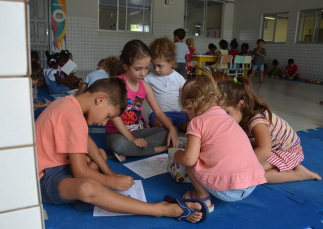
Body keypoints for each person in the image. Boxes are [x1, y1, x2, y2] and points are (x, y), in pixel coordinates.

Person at [36, 77, 206, 223]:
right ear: (101, 99)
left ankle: (84, 196)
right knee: (86, 188)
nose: (104, 123)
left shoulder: (69, 104)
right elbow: (80, 172)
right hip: (45, 178)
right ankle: (159, 209)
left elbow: (88, 143)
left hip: (59, 166)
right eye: (108, 116)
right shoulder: (73, 116)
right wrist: (111, 182)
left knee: (100, 155)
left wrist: (108, 172)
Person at [173, 69, 266, 213]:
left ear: (190, 104)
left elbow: (189, 160)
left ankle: (202, 196)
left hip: (227, 192)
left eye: (186, 111)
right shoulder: (226, 116)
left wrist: (178, 155)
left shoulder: (197, 122)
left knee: (189, 159)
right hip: (251, 184)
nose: (187, 116)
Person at [218, 76, 321, 184]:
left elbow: (265, 151)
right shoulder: (238, 114)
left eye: (226, 112)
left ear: (241, 104)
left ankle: (299, 174)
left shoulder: (255, 119)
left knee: (252, 175)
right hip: (268, 148)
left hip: (286, 150)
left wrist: (241, 167)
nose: (223, 118)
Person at [105, 39, 180, 162]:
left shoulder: (145, 86)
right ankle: (158, 149)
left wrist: (171, 129)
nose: (143, 73)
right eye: (138, 69)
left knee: (172, 130)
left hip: (138, 132)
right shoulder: (117, 84)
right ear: (125, 66)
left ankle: (131, 150)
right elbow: (115, 116)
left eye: (146, 68)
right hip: (117, 134)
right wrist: (131, 139)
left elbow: (159, 113)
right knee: (118, 144)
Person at [145, 37, 189, 132]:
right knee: (163, 126)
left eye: (160, 66)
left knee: (193, 127)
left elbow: (185, 99)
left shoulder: (179, 78)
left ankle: (173, 128)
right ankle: (171, 128)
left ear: (171, 63)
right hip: (157, 115)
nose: (156, 69)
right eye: (154, 65)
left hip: (178, 114)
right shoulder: (148, 78)